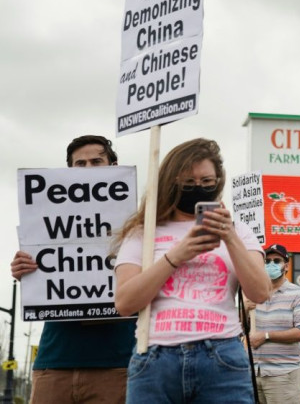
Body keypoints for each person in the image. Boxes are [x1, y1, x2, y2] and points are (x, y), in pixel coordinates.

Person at [113, 138, 270, 403]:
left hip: (222, 356)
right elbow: (125, 302)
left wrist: (229, 236)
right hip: (155, 358)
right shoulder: (144, 232)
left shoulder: (240, 231)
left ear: (218, 181)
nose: (198, 188)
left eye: (207, 182)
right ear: (170, 183)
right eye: (188, 183)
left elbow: (261, 291)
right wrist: (176, 255)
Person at [10, 134, 136, 404]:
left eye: (96, 161)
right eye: (80, 164)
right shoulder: (44, 219)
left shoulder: (137, 221)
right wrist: (25, 270)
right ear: (68, 171)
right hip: (55, 361)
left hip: (116, 363)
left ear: (114, 166)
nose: (88, 169)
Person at [245, 243, 300, 404]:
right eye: (267, 261)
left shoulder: (298, 294)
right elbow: (239, 329)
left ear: (286, 266)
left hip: (283, 376)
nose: (271, 265)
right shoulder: (252, 294)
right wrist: (244, 310)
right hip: (252, 374)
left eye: (277, 261)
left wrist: (266, 336)